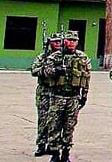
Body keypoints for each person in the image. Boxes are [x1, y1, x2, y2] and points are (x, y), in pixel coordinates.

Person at [44, 30, 91, 162]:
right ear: (65, 41)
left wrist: (84, 95)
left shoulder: (82, 57)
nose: (71, 43)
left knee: (69, 126)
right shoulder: (55, 57)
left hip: (73, 97)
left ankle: (66, 152)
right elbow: (46, 71)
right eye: (69, 40)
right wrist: (56, 71)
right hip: (57, 96)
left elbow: (86, 77)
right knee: (54, 124)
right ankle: (54, 153)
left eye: (74, 41)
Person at [31, 33, 63, 157]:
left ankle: (52, 145)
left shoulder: (63, 57)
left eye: (59, 42)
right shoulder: (43, 56)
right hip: (44, 91)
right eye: (55, 42)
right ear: (50, 43)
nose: (57, 44)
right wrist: (49, 71)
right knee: (43, 119)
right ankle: (41, 145)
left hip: (57, 92)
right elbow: (34, 70)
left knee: (56, 120)